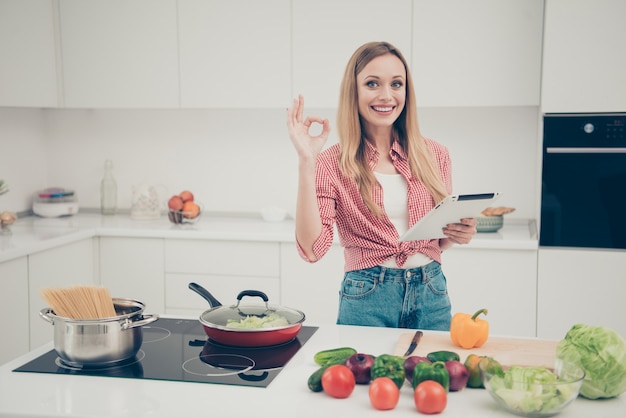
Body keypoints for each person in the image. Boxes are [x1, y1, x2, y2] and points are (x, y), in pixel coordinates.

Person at [286, 41, 477, 331]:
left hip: (432, 292)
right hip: (367, 297)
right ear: (355, 91)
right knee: (365, 379)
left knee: (433, 377)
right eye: (372, 83)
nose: (386, 96)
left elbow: (436, 241)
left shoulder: (436, 154)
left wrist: (458, 233)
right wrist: (306, 162)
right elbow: (313, 249)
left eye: (396, 84)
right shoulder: (330, 162)